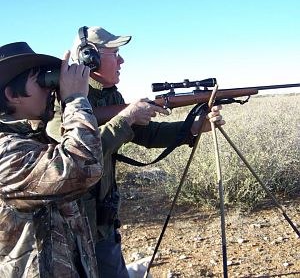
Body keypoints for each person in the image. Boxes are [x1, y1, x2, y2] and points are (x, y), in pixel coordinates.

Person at [47, 26, 225, 278]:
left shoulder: (110, 97)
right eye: (115, 53)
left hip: (101, 220)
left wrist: (196, 126)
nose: (121, 60)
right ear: (90, 57)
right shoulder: (60, 100)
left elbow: (148, 134)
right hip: (71, 225)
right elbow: (77, 157)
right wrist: (127, 117)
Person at [0, 42, 104, 277]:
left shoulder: (32, 139)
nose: (52, 90)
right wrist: (75, 99)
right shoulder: (5, 151)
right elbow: (82, 165)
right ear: (11, 94)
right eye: (43, 83)